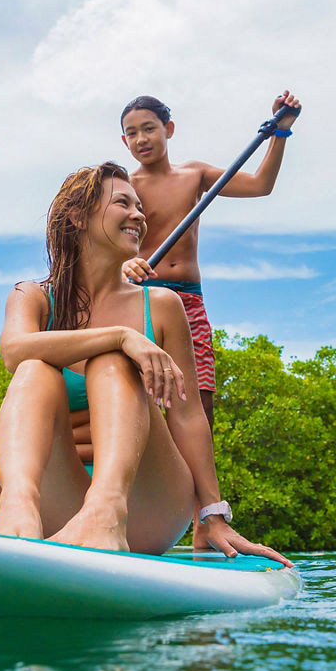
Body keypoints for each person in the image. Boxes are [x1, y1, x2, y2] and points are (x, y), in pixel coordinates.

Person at [0, 162, 291, 566]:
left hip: (147, 507)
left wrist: (213, 516)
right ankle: (17, 511)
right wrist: (121, 336)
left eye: (140, 207)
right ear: (77, 216)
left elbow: (187, 417)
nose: (139, 216)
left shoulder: (162, 304)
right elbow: (14, 350)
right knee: (33, 366)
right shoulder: (33, 296)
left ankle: (106, 511)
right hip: (61, 506)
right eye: (123, 204)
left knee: (113, 363)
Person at [119, 91, 302, 430]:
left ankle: (198, 482)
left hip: (189, 298)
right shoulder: (124, 187)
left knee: (200, 398)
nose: (141, 139)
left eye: (149, 128)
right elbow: (103, 243)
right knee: (140, 394)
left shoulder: (195, 174)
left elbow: (261, 185)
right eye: (132, 133)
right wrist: (123, 265)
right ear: (124, 140)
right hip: (143, 296)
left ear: (168, 128)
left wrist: (280, 132)